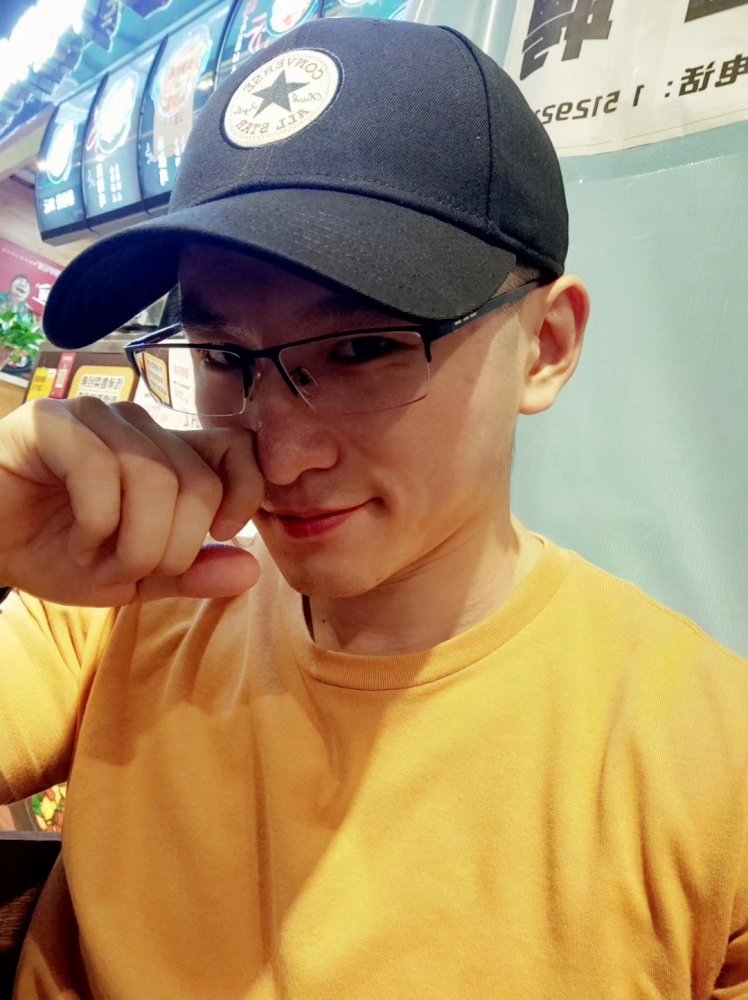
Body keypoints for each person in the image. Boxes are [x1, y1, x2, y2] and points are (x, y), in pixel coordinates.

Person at [0, 16, 745, 1000]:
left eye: (362, 350)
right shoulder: (122, 601)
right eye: (223, 357)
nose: (282, 451)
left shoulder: (710, 760)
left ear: (547, 345)